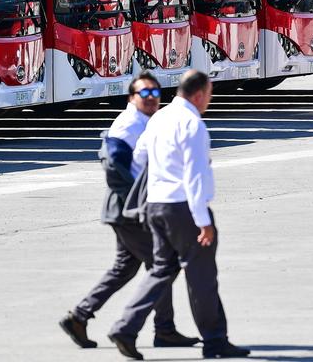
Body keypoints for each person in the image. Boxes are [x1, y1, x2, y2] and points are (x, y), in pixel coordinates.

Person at [108, 70, 250, 360]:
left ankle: (125, 326)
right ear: (199, 95)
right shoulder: (192, 124)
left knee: (161, 269)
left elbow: (139, 157)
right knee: (202, 276)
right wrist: (203, 222)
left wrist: (159, 181)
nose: (209, 101)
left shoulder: (159, 117)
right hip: (183, 207)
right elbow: (196, 177)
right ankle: (215, 341)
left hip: (156, 206)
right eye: (209, 95)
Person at [59, 72, 198, 350]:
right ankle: (157, 330)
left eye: (156, 94)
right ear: (131, 98)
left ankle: (80, 316)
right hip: (130, 211)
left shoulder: (145, 121)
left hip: (130, 209)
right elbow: (113, 165)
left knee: (125, 267)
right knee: (164, 265)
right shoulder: (128, 124)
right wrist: (137, 200)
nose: (151, 99)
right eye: (144, 94)